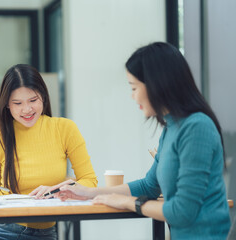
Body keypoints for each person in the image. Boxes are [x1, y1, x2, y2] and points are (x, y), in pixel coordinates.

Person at [57, 42, 231, 239]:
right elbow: (149, 186)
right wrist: (89, 193)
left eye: (134, 87)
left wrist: (128, 203)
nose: (132, 97)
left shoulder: (197, 127)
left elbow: (183, 212)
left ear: (157, 84)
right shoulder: (171, 128)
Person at [0, 64, 97, 240]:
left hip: (44, 233)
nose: (27, 109)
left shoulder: (65, 129)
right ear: (6, 104)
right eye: (17, 103)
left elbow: (90, 182)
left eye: (33, 100)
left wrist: (56, 190)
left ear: (43, 97)